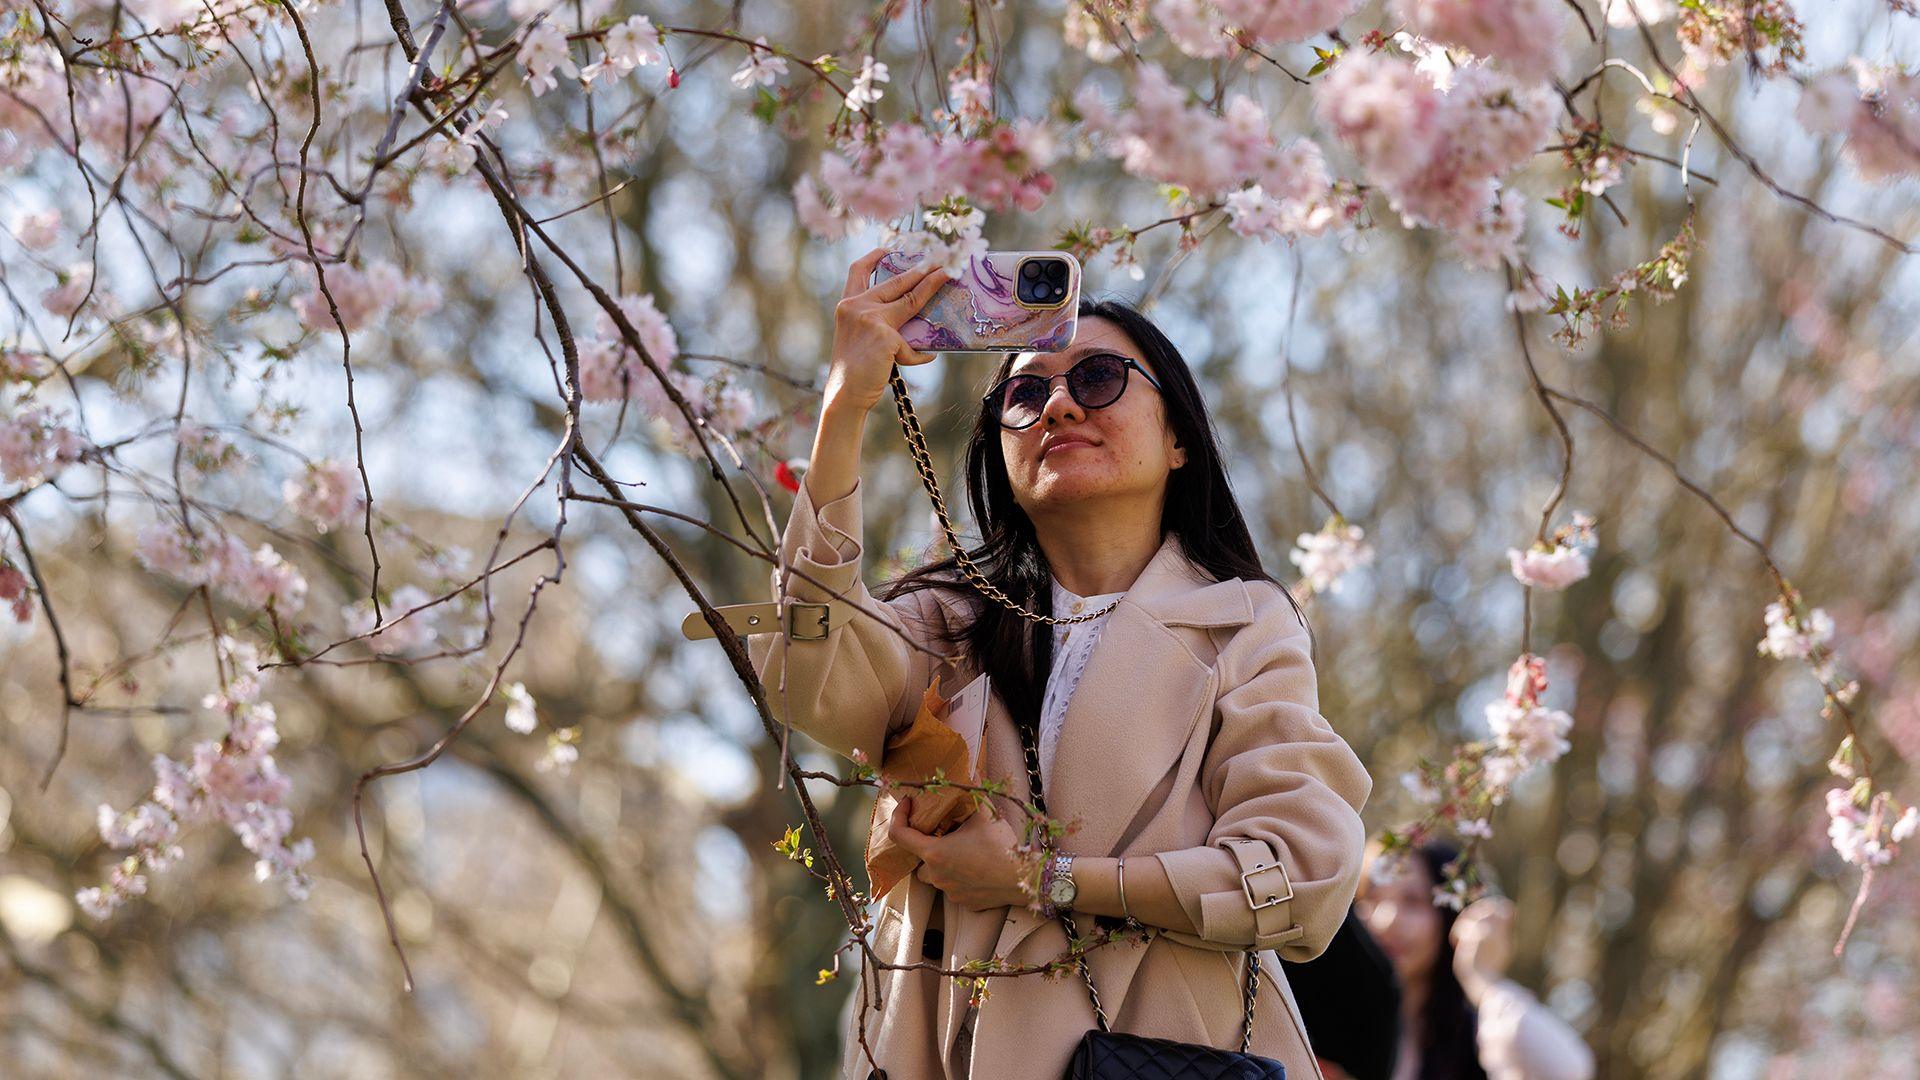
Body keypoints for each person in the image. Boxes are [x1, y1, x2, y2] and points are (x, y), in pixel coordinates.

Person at [747, 245, 1373, 1080]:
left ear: (1178, 437)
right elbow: (802, 675)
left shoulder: (1244, 626)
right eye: (1026, 392)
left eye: (1101, 379)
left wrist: (1050, 881)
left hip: (1171, 1052)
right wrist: (847, 405)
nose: (1061, 407)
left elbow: (1304, 875)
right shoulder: (945, 624)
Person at [1354, 840, 1596, 1080]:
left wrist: (1482, 979)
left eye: (1413, 901)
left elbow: (1567, 1071)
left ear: (1451, 916)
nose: (1386, 921)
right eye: (1370, 898)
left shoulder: (1476, 1039)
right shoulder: (1322, 1022)